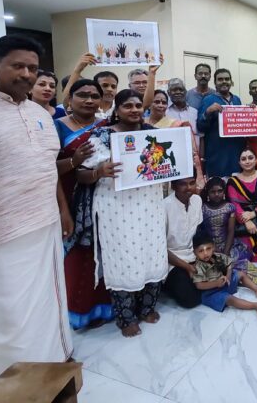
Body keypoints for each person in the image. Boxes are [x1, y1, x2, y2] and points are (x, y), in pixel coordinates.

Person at [0, 34, 73, 386]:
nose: (26, 74)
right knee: (9, 320)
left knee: (47, 310)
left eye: (33, 68)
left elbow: (47, 167)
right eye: (18, 66)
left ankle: (50, 372)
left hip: (46, 228)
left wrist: (63, 210)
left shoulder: (39, 113)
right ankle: (8, 387)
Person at [76, 90, 168, 337]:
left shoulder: (154, 135)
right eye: (128, 106)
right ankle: (125, 317)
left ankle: (147, 307)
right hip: (115, 209)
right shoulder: (101, 136)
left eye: (138, 105)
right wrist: (98, 172)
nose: (135, 109)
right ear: (116, 110)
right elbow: (80, 173)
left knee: (153, 252)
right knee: (123, 258)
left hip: (150, 205)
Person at [54, 79, 114, 329]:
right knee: (79, 256)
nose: (89, 100)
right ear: (70, 99)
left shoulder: (106, 126)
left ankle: (105, 307)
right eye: (82, 95)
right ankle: (78, 312)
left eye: (94, 96)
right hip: (70, 199)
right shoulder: (57, 126)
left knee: (104, 253)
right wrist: (74, 160)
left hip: (104, 200)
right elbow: (48, 168)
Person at [192, 232, 257, 317]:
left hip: (224, 283)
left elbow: (229, 265)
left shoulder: (217, 256)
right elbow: (199, 285)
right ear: (195, 252)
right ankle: (256, 306)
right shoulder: (198, 267)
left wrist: (228, 276)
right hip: (211, 294)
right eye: (201, 251)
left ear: (213, 247)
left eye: (208, 249)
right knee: (229, 299)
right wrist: (216, 283)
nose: (205, 253)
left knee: (241, 274)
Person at [201, 177, 257, 284]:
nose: (216, 194)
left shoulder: (229, 207)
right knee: (209, 265)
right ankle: (232, 278)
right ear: (207, 193)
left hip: (227, 245)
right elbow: (203, 231)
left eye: (219, 191)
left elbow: (231, 231)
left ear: (224, 192)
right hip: (210, 248)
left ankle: (234, 277)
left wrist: (225, 254)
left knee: (231, 261)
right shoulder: (203, 208)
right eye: (213, 192)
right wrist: (212, 250)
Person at [146, 89, 204, 189]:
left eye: (164, 102)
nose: (161, 105)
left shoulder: (178, 125)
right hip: (148, 174)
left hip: (171, 173)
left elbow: (192, 153)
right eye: (156, 102)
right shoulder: (141, 124)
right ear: (149, 104)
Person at [163, 177, 204, 309]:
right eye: (183, 184)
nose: (189, 188)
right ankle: (167, 286)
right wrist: (188, 268)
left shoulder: (197, 200)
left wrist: (201, 259)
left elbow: (198, 234)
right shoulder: (164, 206)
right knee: (190, 300)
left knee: (221, 276)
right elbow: (160, 248)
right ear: (173, 186)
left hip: (194, 256)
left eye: (192, 183)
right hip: (172, 261)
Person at [198, 69, 244, 178]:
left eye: (227, 79)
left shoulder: (237, 99)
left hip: (236, 152)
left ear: (231, 82)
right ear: (215, 83)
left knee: (236, 187)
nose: (224, 82)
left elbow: (244, 123)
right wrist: (208, 112)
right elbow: (200, 126)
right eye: (220, 79)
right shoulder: (208, 100)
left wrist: (251, 110)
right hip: (217, 154)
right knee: (218, 190)